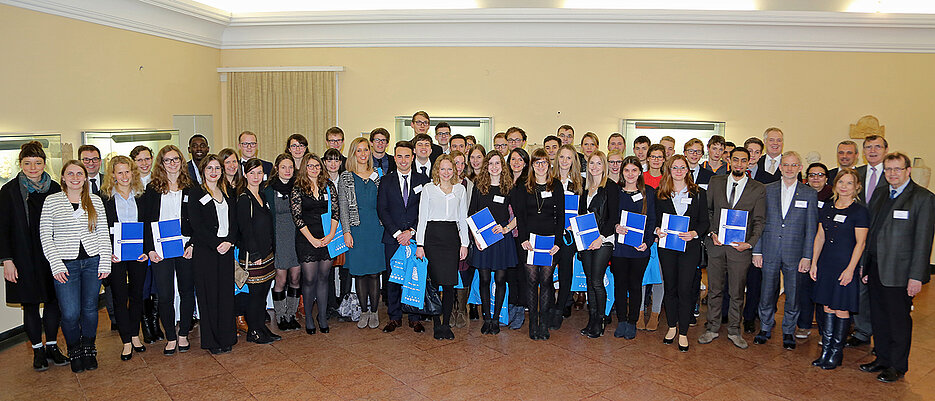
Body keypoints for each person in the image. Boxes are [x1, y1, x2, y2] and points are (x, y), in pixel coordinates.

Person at [859, 153, 935, 382]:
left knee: (898, 320)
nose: (892, 173)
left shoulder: (923, 198)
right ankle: (881, 358)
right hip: (875, 267)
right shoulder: (882, 193)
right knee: (879, 317)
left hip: (900, 273)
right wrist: (865, 266)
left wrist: (916, 277)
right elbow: (871, 233)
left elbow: (924, 240)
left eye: (897, 169)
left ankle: (897, 365)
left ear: (908, 171)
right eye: (888, 169)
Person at [0, 141, 68, 371]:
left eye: (37, 163)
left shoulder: (55, 188)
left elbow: (63, 224)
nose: (33, 168)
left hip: (51, 255)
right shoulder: (9, 191)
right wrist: (6, 260)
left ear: (44, 164)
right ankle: (37, 351)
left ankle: (52, 346)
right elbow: (2, 228)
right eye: (27, 163)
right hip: (22, 257)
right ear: (20, 164)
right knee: (29, 305)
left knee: (53, 302)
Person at [40, 160, 111, 373]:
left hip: (93, 262)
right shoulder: (52, 201)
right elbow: (45, 236)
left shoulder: (95, 201)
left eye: (79, 173)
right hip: (65, 264)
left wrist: (105, 261)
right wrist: (56, 264)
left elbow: (103, 234)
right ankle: (74, 349)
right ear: (63, 177)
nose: (75, 177)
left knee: (90, 309)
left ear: (85, 177)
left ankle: (89, 348)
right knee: (70, 313)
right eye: (70, 174)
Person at [699, 147, 766, 349]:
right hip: (717, 246)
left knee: (736, 292)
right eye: (735, 160)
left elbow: (760, 220)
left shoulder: (757, 188)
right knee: (714, 290)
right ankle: (712, 328)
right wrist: (712, 232)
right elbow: (708, 211)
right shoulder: (716, 182)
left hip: (740, 249)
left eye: (743, 161)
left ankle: (735, 331)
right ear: (730, 161)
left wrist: (750, 243)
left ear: (749, 163)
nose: (738, 164)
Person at [751, 151, 818, 350]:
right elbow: (759, 223)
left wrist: (808, 256)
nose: (789, 168)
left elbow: (811, 228)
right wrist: (757, 251)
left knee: (793, 294)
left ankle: (788, 331)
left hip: (795, 254)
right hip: (769, 250)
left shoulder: (809, 193)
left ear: (799, 168)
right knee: (766, 292)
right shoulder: (766, 190)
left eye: (794, 165)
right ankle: (765, 327)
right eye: (786, 165)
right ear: (780, 167)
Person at [808, 168, 868, 370]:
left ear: (856, 187)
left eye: (849, 183)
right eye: (841, 182)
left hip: (845, 264)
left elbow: (860, 244)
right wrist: (814, 262)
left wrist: (851, 269)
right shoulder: (827, 207)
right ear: (835, 184)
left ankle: (836, 352)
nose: (844, 186)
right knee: (826, 306)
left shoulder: (859, 211)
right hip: (826, 263)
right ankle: (826, 349)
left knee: (841, 308)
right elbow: (820, 237)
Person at [141, 145, 195, 355]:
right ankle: (170, 337)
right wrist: (150, 249)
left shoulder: (191, 187)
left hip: (185, 247)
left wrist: (193, 245)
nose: (172, 164)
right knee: (165, 294)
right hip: (161, 248)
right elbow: (146, 221)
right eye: (167, 160)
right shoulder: (153, 189)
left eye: (176, 159)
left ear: (181, 162)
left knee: (187, 292)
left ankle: (183, 335)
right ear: (161, 164)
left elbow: (199, 221)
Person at [654, 155, 709, 351]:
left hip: (689, 248)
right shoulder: (660, 194)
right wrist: (657, 231)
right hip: (667, 248)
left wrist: (694, 233)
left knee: (685, 290)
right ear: (669, 170)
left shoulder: (699, 193)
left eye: (682, 167)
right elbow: (654, 221)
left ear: (688, 170)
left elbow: (705, 222)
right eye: (674, 167)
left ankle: (683, 331)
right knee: (670, 288)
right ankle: (671, 327)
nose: (678, 171)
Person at [377, 141, 430, 333]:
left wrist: (412, 232)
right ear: (394, 158)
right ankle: (394, 316)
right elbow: (382, 209)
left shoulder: (423, 180)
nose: (403, 160)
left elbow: (426, 210)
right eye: (399, 156)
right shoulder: (386, 181)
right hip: (393, 239)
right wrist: (399, 234)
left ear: (413, 157)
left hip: (416, 239)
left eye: (407, 156)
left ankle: (415, 317)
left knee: (414, 276)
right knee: (393, 279)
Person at [187, 154, 238, 354]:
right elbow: (196, 225)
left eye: (217, 168)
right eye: (210, 168)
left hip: (226, 250)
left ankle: (227, 337)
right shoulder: (195, 193)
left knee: (225, 295)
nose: (214, 172)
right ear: (203, 171)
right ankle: (212, 340)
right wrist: (218, 243)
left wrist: (230, 241)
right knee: (209, 297)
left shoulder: (227, 191)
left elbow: (235, 222)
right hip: (206, 252)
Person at [416, 155, 469, 340]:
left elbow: (463, 218)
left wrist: (465, 243)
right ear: (437, 170)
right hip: (432, 238)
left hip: (451, 238)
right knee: (435, 284)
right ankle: (437, 324)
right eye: (443, 169)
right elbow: (422, 218)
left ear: (454, 170)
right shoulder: (428, 189)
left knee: (449, 285)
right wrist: (420, 244)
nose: (446, 172)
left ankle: (446, 324)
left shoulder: (461, 189)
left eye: (449, 169)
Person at [512, 149, 564, 340]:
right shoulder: (524, 186)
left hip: (550, 241)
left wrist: (558, 242)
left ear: (549, 165)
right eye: (537, 163)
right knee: (532, 281)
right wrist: (523, 239)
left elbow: (561, 217)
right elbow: (521, 216)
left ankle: (544, 323)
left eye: (544, 162)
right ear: (532, 165)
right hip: (530, 242)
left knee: (546, 281)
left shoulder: (556, 186)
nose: (540, 166)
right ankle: (533, 323)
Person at [101, 156, 149, 360]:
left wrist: (147, 249)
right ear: (112, 175)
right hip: (116, 256)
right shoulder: (104, 198)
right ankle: (126, 341)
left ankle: (135, 335)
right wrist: (107, 252)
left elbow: (148, 224)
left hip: (138, 255)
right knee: (120, 298)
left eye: (127, 171)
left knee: (137, 296)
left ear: (133, 172)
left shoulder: (142, 196)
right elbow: (100, 230)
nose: (124, 176)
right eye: (119, 172)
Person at [337, 138, 385, 330]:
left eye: (366, 150)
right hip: (356, 230)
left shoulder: (378, 175)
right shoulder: (346, 177)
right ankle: (363, 311)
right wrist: (346, 232)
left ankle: (374, 312)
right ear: (353, 153)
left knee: (374, 274)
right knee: (359, 274)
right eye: (359, 150)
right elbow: (343, 208)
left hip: (376, 229)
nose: (363, 154)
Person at [469, 151, 517, 335]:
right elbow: (471, 214)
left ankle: (496, 319)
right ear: (486, 166)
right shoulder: (479, 187)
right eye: (491, 163)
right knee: (484, 279)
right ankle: (486, 318)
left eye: (498, 163)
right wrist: (476, 238)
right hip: (483, 240)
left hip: (502, 238)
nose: (494, 167)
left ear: (503, 166)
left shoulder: (509, 188)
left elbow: (520, 215)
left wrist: (506, 229)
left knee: (500, 279)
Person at [848, 134, 889, 347]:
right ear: (863, 151)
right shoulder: (857, 174)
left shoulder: (892, 175)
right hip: (857, 239)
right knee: (860, 286)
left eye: (877, 147)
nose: (872, 151)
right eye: (868, 147)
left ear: (885, 150)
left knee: (880, 289)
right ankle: (863, 331)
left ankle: (882, 337)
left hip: (883, 244)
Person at [291, 153, 338, 334]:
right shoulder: (298, 188)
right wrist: (312, 239)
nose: (314, 169)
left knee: (324, 278)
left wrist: (331, 235)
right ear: (304, 167)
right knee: (309, 279)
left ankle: (323, 316)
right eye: (310, 166)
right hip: (306, 238)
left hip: (327, 237)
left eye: (317, 166)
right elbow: (297, 216)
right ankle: (309, 317)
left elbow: (335, 211)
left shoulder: (328, 185)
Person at [611, 156, 655, 340]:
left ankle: (632, 321)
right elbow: (609, 216)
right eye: (626, 170)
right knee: (620, 284)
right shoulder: (615, 192)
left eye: (634, 170)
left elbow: (652, 220)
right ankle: (621, 320)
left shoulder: (649, 193)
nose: (630, 174)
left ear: (640, 172)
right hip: (620, 247)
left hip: (639, 248)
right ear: (622, 172)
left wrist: (648, 241)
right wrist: (615, 226)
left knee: (635, 286)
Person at [577, 150, 620, 339]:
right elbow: (580, 215)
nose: (595, 167)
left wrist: (600, 238)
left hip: (604, 240)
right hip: (586, 241)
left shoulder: (611, 187)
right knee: (588, 281)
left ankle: (601, 319)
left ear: (605, 166)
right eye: (592, 163)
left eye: (598, 163)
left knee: (596, 280)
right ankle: (592, 319)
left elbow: (613, 217)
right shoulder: (585, 188)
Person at [236, 159, 279, 344]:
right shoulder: (244, 198)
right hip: (253, 256)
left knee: (263, 294)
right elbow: (245, 230)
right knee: (255, 295)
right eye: (252, 173)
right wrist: (255, 254)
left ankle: (262, 328)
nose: (256, 176)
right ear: (245, 174)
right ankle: (253, 331)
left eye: (259, 173)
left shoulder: (262, 195)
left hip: (267, 253)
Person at [741, 136, 777, 334]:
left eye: (756, 152)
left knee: (755, 280)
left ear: (761, 154)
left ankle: (749, 317)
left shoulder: (768, 179)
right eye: (749, 152)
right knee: (733, 278)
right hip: (735, 235)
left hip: (758, 235)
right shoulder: (734, 175)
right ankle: (727, 314)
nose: (752, 155)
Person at [265, 154, 302, 332]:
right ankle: (280, 315)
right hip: (279, 240)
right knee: (281, 279)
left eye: (290, 167)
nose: (287, 171)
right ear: (277, 169)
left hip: (297, 239)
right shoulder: (268, 190)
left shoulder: (300, 187)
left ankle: (291, 314)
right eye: (283, 167)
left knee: (295, 278)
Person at [796, 162, 832, 339]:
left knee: (822, 289)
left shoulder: (834, 196)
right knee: (804, 289)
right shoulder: (800, 193)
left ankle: (825, 329)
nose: (816, 178)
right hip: (803, 248)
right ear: (806, 178)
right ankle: (803, 324)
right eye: (812, 175)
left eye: (820, 175)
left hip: (826, 251)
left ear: (826, 178)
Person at [549, 144, 583, 329]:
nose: (564, 161)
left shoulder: (579, 183)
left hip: (569, 236)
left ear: (574, 161)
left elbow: (584, 211)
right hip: (551, 235)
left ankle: (559, 310)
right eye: (562, 157)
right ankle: (547, 307)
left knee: (565, 273)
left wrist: (574, 223)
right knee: (546, 273)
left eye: (569, 158)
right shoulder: (549, 180)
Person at [218, 148, 248, 334]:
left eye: (234, 162)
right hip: (223, 241)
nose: (231, 165)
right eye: (227, 162)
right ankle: (228, 318)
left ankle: (240, 316)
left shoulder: (243, 185)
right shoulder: (215, 186)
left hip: (241, 239)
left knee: (241, 279)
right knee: (226, 281)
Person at [323, 148, 349, 316]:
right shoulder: (320, 181)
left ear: (341, 163)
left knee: (345, 268)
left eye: (336, 160)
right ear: (324, 162)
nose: (333, 164)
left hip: (345, 228)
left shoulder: (346, 180)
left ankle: (344, 303)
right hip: (326, 230)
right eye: (329, 160)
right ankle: (330, 303)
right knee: (328, 269)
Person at [507, 147, 530, 327]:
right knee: (509, 274)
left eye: (520, 160)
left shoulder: (527, 184)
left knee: (521, 274)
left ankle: (520, 311)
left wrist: (508, 227)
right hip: (506, 236)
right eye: (513, 159)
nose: (516, 163)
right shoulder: (504, 181)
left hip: (520, 235)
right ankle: (510, 308)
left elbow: (522, 214)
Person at [451, 150, 474, 328]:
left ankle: (461, 309)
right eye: (454, 163)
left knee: (463, 271)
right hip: (447, 236)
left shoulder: (471, 185)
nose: (458, 167)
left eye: (461, 164)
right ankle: (451, 307)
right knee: (449, 271)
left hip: (466, 235)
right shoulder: (440, 185)